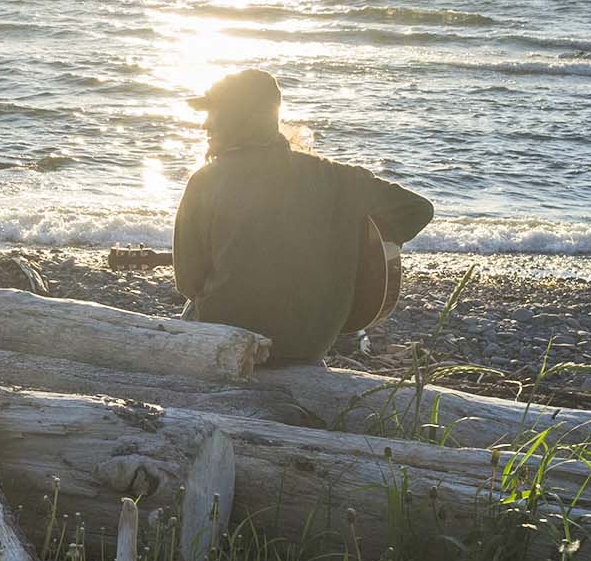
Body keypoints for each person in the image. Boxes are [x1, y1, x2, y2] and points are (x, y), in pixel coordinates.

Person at [172, 68, 433, 365]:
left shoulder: (206, 181)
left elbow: (188, 282)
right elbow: (418, 210)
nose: (205, 125)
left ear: (237, 116)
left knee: (190, 312)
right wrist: (355, 255)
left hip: (229, 340)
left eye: (212, 113)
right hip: (306, 346)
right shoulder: (338, 178)